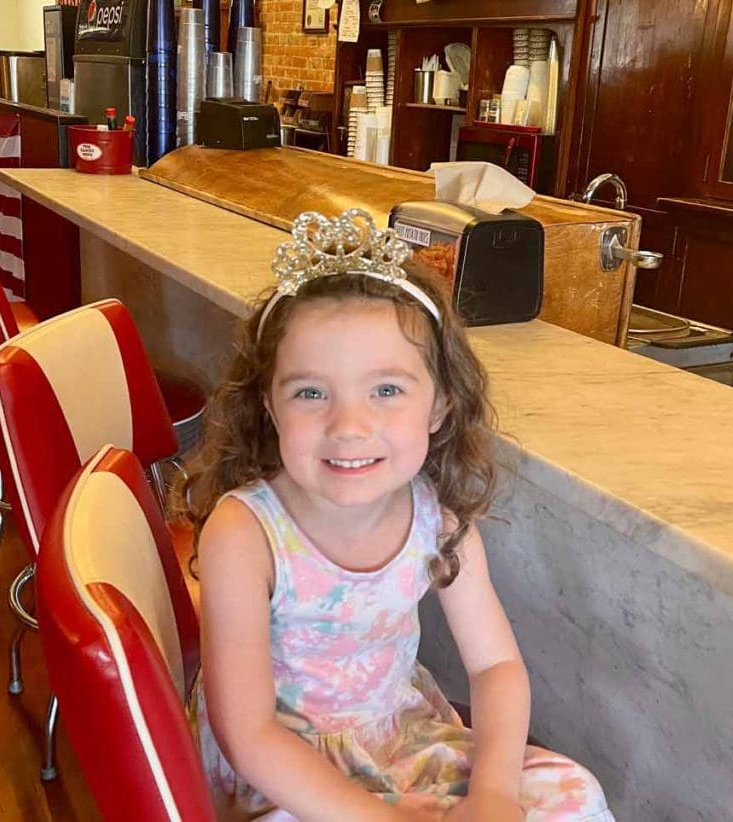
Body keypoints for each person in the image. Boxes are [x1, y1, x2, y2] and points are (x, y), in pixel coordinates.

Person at [180, 210, 613, 821]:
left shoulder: (437, 522)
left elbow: (495, 666)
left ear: (439, 405)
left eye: (386, 390)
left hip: (402, 739)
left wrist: (493, 794)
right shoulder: (244, 533)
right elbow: (249, 736)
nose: (348, 426)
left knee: (575, 795)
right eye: (310, 392)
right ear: (268, 406)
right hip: (287, 772)